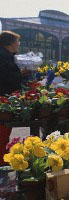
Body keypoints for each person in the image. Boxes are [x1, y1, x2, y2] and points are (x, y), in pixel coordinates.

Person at [0, 31, 27, 166]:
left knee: (4, 134)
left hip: (6, 100)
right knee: (2, 133)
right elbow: (6, 79)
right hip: (3, 100)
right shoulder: (2, 57)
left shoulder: (9, 56)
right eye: (17, 41)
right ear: (10, 43)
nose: (18, 44)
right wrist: (22, 73)